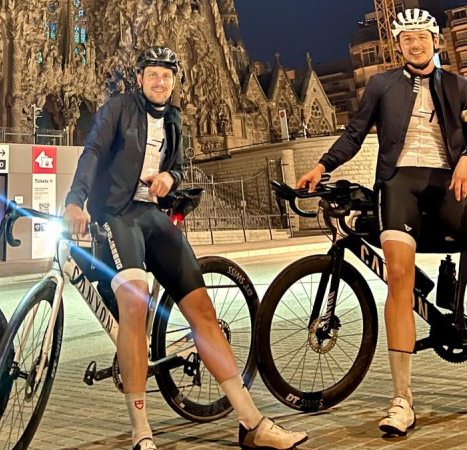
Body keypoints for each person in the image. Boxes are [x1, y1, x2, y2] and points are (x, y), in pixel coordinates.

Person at [64, 46, 307, 450]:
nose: (160, 82)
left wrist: (170, 180)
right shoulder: (118, 109)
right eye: (153, 75)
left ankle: (251, 422)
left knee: (203, 312)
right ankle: (141, 429)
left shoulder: (174, 119)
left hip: (152, 216)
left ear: (174, 81)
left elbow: (177, 166)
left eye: (167, 76)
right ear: (139, 79)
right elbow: (92, 153)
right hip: (115, 215)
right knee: (135, 302)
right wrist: (75, 200)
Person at [296, 8, 467, 436]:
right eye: (407, 39)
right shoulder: (382, 85)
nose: (415, 44)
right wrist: (322, 166)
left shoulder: (463, 86)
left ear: (436, 41)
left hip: (452, 184)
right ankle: (402, 400)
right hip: (399, 184)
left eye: (422, 37)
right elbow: (354, 134)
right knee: (399, 277)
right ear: (398, 46)